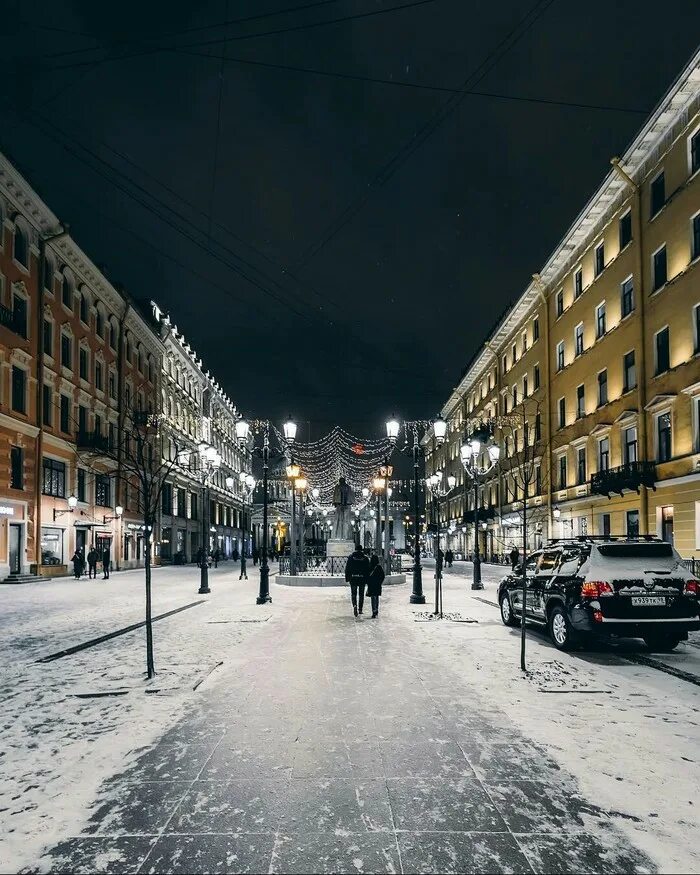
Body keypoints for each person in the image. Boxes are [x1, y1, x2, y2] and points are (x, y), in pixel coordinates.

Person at [344, 544, 370, 617]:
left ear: (355, 549)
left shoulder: (351, 557)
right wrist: (367, 579)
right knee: (361, 594)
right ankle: (360, 609)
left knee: (353, 593)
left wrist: (347, 578)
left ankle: (354, 605)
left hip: (353, 578)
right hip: (362, 578)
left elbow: (347, 568)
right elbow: (367, 569)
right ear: (362, 550)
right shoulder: (365, 558)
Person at [366, 554, 385, 619]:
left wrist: (368, 582)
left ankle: (373, 611)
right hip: (377, 585)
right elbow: (382, 576)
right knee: (376, 598)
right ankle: (376, 610)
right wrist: (380, 582)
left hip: (371, 585)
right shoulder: (379, 567)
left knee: (373, 598)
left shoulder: (369, 566)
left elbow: (367, 575)